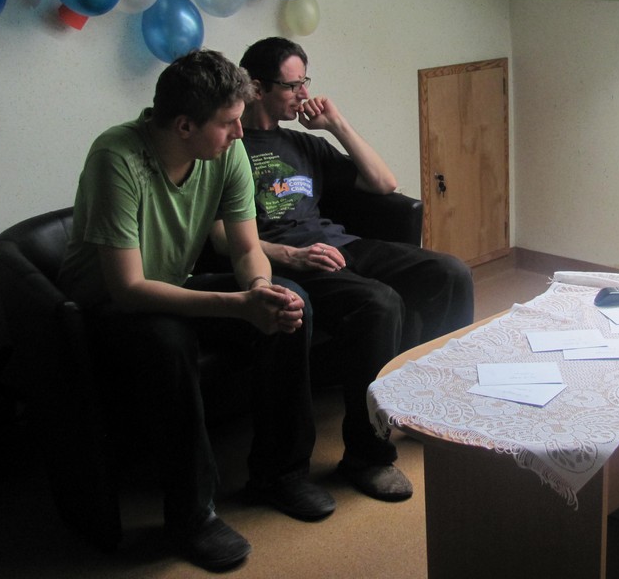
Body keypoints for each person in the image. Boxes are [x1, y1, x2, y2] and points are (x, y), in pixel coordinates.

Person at [58, 50, 326, 573]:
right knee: (169, 341)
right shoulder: (117, 157)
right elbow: (128, 289)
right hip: (99, 309)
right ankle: (191, 516)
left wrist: (260, 292)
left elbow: (246, 248)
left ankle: (280, 474)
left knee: (292, 305)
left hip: (171, 287)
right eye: (228, 123)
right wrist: (238, 306)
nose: (240, 133)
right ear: (184, 125)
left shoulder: (226, 151)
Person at [232, 36, 475, 502]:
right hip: (290, 260)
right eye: (292, 85)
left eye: (305, 82)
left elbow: (385, 183)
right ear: (257, 88)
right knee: (379, 303)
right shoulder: (229, 146)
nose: (304, 94)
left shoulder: (302, 143)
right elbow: (226, 238)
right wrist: (290, 255)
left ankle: (434, 407)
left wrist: (336, 125)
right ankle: (367, 455)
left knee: (450, 272)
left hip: (340, 244)